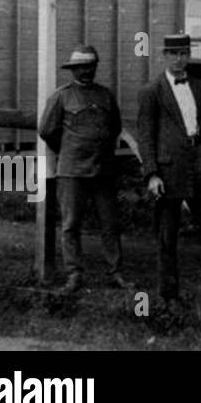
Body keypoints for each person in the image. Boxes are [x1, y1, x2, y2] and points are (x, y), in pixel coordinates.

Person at [136, 32, 201, 304]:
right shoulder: (152, 91)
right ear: (165, 55)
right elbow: (146, 136)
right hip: (168, 170)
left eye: (183, 53)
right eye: (173, 54)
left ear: (189, 55)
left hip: (200, 164)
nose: (179, 59)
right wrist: (151, 174)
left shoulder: (198, 88)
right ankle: (168, 297)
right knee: (167, 235)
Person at [37, 44, 127, 292]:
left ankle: (115, 272)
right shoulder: (61, 96)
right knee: (70, 224)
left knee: (110, 224)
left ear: (95, 67)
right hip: (72, 171)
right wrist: (69, 148)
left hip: (103, 170)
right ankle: (74, 274)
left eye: (90, 66)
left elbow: (114, 128)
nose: (86, 71)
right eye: (80, 67)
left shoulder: (106, 96)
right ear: (72, 70)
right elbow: (47, 130)